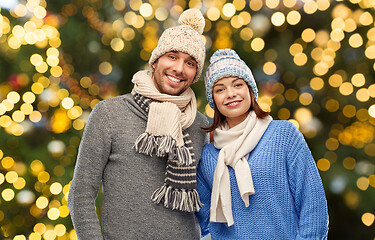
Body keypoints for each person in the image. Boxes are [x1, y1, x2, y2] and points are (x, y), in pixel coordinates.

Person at [68, 9, 209, 240]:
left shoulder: (201, 125)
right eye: (172, 56)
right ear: (155, 61)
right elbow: (80, 195)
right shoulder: (109, 114)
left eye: (190, 63)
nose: (179, 69)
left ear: (195, 75)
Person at [195, 49, 329, 239]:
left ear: (249, 89)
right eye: (220, 89)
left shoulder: (283, 135)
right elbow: (204, 222)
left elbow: (313, 205)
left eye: (237, 84)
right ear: (213, 100)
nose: (231, 94)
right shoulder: (209, 155)